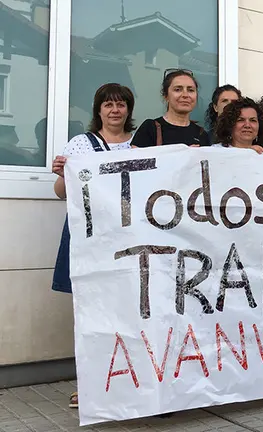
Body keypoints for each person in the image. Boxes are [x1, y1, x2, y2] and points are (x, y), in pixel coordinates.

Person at [51, 83, 136, 410]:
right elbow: (61, 192)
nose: (115, 110)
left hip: (128, 240)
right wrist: (61, 173)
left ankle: (125, 378)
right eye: (108, 105)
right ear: (98, 110)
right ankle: (88, 384)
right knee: (91, 314)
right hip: (88, 239)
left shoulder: (139, 143)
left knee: (129, 312)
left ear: (128, 109)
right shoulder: (81, 145)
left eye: (121, 105)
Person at [131, 69, 210, 147]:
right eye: (178, 90)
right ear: (166, 96)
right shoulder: (150, 128)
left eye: (191, 90)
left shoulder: (201, 134)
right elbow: (136, 159)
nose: (185, 95)